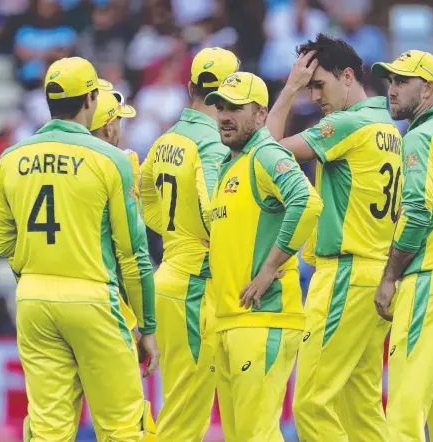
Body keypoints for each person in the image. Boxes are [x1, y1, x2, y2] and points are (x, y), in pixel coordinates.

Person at [0, 57, 159, 442]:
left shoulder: (9, 158)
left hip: (33, 299)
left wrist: (36, 271)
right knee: (123, 428)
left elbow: (3, 242)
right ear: (90, 99)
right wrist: (147, 325)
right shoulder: (112, 160)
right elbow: (133, 256)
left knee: (48, 430)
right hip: (94, 300)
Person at [265, 33, 403, 442]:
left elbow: (265, 151)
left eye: (319, 84)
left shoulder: (346, 123)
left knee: (310, 400)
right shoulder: (387, 127)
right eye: (307, 88)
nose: (315, 97)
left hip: (345, 274)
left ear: (347, 76)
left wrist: (288, 88)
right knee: (359, 405)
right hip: (377, 275)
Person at [204, 71, 322, 441]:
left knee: (258, 435)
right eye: (220, 106)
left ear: (260, 113)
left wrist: (269, 268)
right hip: (231, 319)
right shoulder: (230, 163)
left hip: (262, 319)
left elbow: (307, 202)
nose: (224, 115)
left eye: (235, 108)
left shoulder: (265, 154)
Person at [139, 47, 238, 441]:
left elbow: (143, 193)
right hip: (198, 282)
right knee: (186, 413)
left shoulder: (167, 138)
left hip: (172, 273)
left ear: (190, 85)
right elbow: (218, 211)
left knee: (181, 402)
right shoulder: (214, 143)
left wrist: (171, 230)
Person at [372, 50, 433, 442]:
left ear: (428, 88)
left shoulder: (419, 137)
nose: (391, 91)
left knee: (402, 420)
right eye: (390, 82)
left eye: (402, 82)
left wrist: (390, 275)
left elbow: (416, 213)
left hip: (427, 284)